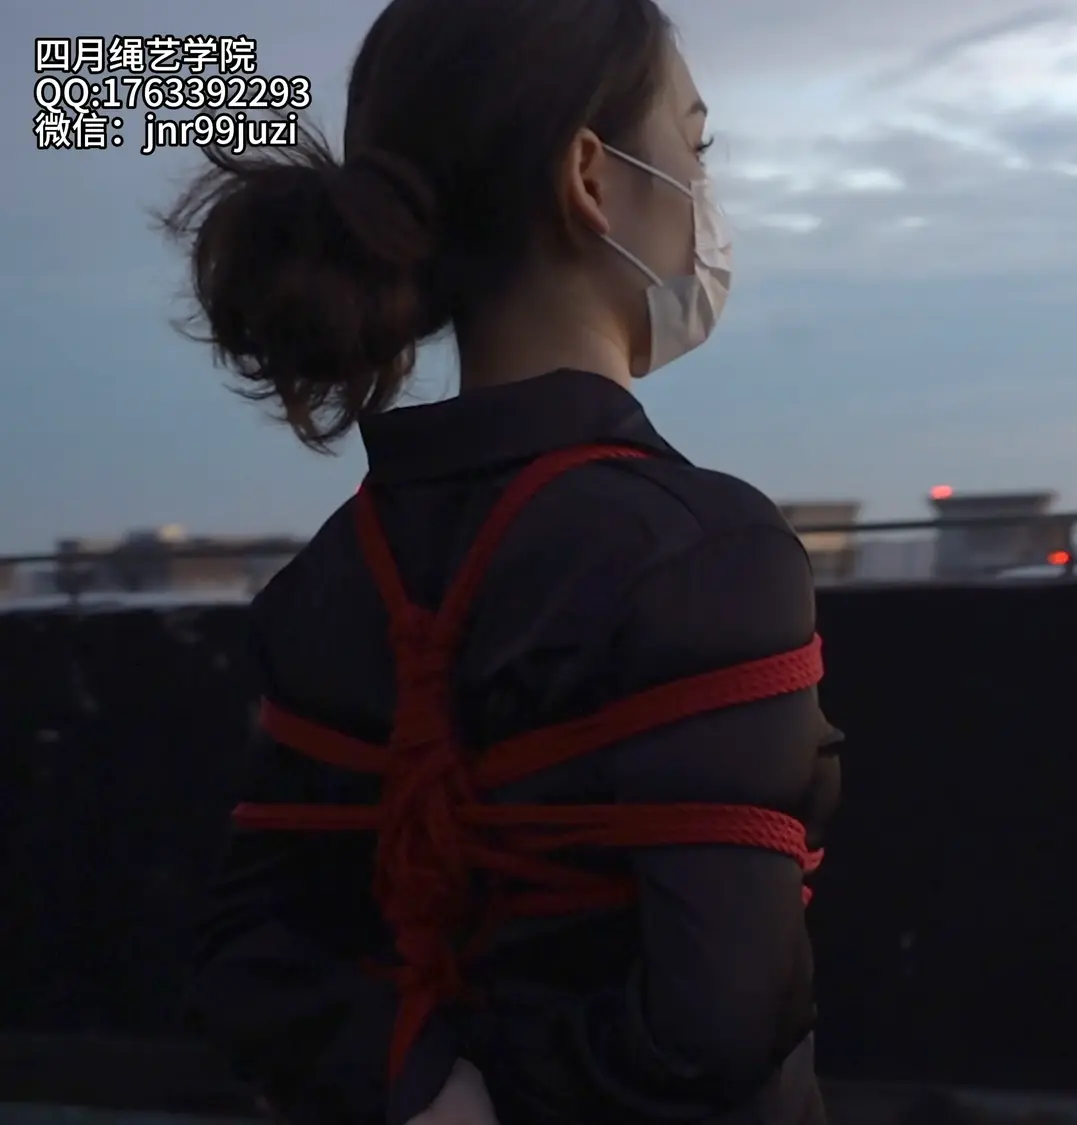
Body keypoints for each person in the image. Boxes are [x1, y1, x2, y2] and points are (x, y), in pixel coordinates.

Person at [160, 2, 841, 1124]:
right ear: (591, 176)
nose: (706, 196)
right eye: (696, 145)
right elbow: (720, 1023)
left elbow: (251, 959)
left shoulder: (324, 585)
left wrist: (428, 1085)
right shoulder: (706, 554)